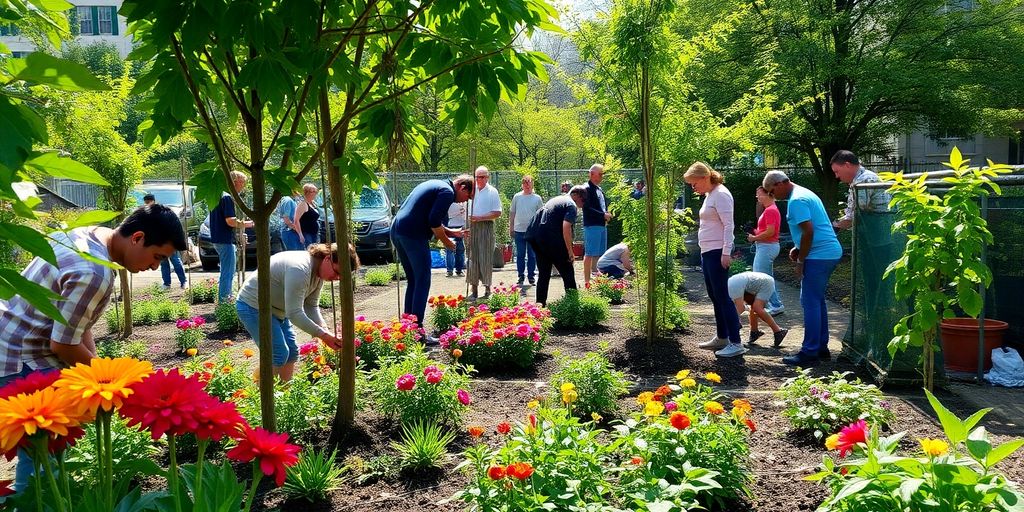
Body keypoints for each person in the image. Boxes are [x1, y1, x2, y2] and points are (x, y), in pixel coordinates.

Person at [0, 205, 186, 492]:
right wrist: (109, 385)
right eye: (157, 257)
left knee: (46, 451)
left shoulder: (86, 236)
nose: (154, 267)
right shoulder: (94, 272)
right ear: (137, 238)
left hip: (11, 340)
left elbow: (78, 323)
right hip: (20, 358)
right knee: (44, 459)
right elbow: (63, 344)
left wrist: (98, 368)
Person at [236, 243, 358, 383]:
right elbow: (294, 313)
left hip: (276, 310)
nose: (338, 278)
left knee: (292, 353)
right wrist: (324, 336)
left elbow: (310, 306)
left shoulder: (318, 272)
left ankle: (284, 395)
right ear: (327, 259)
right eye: (337, 272)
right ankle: (260, 398)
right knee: (278, 354)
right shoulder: (300, 269)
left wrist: (325, 332)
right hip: (253, 306)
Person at [762, 170, 843, 365]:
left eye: (772, 191)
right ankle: (821, 348)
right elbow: (808, 230)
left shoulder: (797, 200)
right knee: (816, 300)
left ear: (781, 183)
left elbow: (809, 231)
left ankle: (809, 352)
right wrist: (798, 248)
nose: (773, 197)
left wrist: (801, 261)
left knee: (809, 301)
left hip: (820, 255)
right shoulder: (805, 193)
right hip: (827, 252)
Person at [391, 175, 474, 333]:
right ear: (462, 187)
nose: (465, 201)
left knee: (414, 280)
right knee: (423, 280)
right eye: (467, 196)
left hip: (398, 231)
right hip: (412, 234)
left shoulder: (438, 185)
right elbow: (434, 221)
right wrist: (446, 240)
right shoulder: (447, 192)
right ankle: (418, 330)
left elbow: (428, 216)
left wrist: (452, 233)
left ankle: (408, 327)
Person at [685, 162, 745, 358]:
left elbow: (729, 225)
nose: (693, 188)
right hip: (708, 251)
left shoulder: (721, 194)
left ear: (704, 177)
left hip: (718, 252)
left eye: (694, 183)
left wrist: (726, 252)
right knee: (714, 295)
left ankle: (736, 342)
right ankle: (722, 337)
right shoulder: (711, 195)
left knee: (722, 296)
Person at [830, 150, 892, 324]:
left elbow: (855, 215)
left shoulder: (864, 180)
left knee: (876, 279)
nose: (836, 176)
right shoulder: (859, 180)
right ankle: (874, 314)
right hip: (873, 237)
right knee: (871, 279)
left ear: (847, 165)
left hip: (878, 238)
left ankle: (878, 317)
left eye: (837, 171)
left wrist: (831, 227)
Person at [526, 185, 588, 305]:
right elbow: (566, 227)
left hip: (536, 237)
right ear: (575, 195)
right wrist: (570, 251)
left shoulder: (557, 199)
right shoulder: (571, 205)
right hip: (551, 238)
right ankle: (573, 304)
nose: (583, 203)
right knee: (567, 271)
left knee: (544, 274)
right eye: (583, 200)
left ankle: (540, 305)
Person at [210, 171, 254, 301]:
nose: (243, 185)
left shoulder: (217, 196)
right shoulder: (227, 198)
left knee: (227, 271)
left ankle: (226, 296)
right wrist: (249, 224)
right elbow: (230, 221)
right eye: (242, 182)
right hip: (225, 240)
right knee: (228, 272)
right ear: (235, 182)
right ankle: (225, 300)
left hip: (218, 238)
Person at [746, 186, 784, 314]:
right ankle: (774, 304)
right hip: (766, 246)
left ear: (768, 194)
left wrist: (754, 237)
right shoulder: (769, 209)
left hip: (767, 247)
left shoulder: (770, 211)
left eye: (759, 194)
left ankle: (775, 305)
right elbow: (768, 231)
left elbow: (770, 232)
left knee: (761, 278)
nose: (757, 197)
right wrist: (755, 233)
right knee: (765, 277)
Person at [466, 166, 502, 301]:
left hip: (486, 225)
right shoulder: (471, 191)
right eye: (477, 177)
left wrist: (480, 218)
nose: (479, 179)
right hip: (472, 226)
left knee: (485, 256)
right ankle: (473, 288)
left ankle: (487, 287)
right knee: (472, 257)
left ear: (487, 177)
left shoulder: (492, 191)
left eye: (482, 177)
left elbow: (497, 212)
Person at [728, 271, 789, 346]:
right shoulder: (730, 287)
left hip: (765, 283)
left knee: (757, 308)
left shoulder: (732, 288)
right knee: (753, 308)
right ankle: (755, 332)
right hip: (753, 284)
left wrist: (732, 320)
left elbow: (741, 308)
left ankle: (778, 331)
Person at [143, 193, 188, 289]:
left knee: (175, 261)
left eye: (149, 202)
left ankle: (184, 281)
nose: (147, 204)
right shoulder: (148, 213)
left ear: (153, 201)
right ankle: (167, 283)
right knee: (163, 263)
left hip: (169, 241)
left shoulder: (162, 211)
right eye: (146, 202)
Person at [509, 175, 544, 286]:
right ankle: (520, 276)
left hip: (532, 231)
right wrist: (511, 227)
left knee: (532, 255)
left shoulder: (537, 198)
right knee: (520, 254)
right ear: (522, 185)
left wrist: (540, 229)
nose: (527, 185)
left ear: (532, 184)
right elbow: (512, 213)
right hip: (519, 230)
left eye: (529, 183)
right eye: (525, 183)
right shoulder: (517, 197)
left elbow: (541, 215)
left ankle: (531, 276)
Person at [582, 163, 611, 286]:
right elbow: (587, 208)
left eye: (602, 174)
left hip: (601, 225)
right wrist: (602, 215)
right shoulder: (586, 189)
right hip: (592, 225)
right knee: (590, 253)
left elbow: (601, 206)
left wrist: (607, 213)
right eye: (600, 174)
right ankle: (587, 281)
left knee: (599, 253)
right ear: (591, 174)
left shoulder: (599, 189)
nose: (601, 176)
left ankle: (596, 276)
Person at [292, 183, 321, 249]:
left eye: (315, 191)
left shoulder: (313, 203)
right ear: (306, 193)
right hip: (306, 234)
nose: (315, 193)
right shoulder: (302, 204)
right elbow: (296, 220)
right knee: (309, 253)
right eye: (312, 191)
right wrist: (300, 234)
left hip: (314, 233)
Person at [445, 200, 467, 277]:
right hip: (450, 226)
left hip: (461, 226)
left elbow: (466, 214)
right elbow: (448, 214)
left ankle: (459, 270)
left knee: (460, 249)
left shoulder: (463, 201)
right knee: (450, 249)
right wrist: (459, 212)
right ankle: (449, 270)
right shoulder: (449, 200)